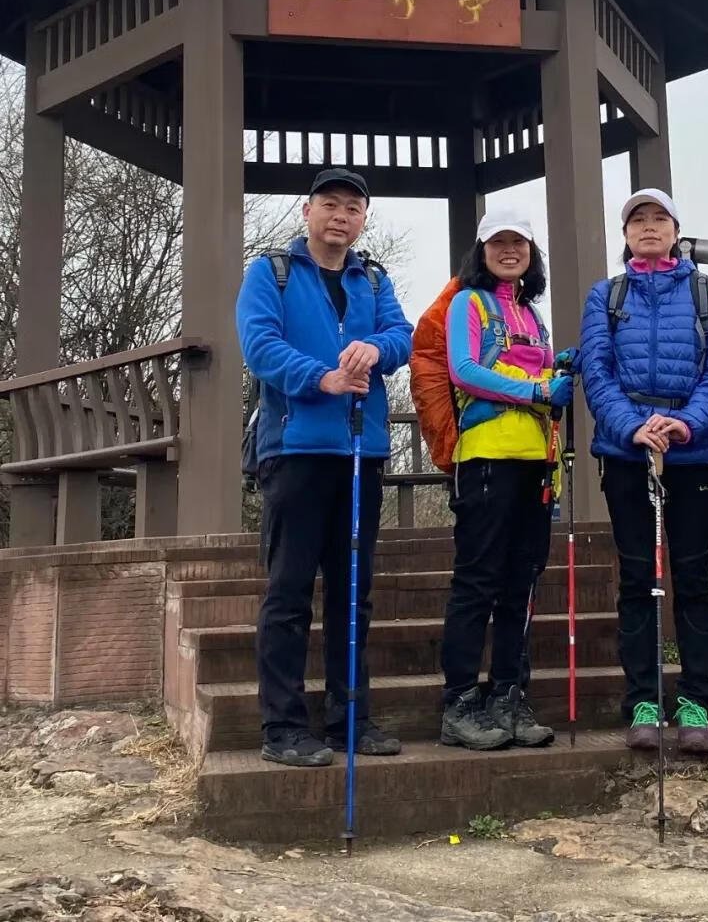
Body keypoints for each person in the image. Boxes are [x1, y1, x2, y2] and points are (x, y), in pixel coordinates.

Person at [235, 168, 413, 767]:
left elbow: (402, 337)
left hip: (362, 452)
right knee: (288, 592)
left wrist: (376, 349)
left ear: (364, 219)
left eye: (353, 207)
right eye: (330, 204)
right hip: (294, 451)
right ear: (306, 211)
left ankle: (349, 717)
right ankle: (282, 725)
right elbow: (258, 344)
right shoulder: (271, 272)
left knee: (353, 592)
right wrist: (322, 378)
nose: (341, 215)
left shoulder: (375, 278)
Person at [579, 187, 708, 754]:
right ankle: (643, 698)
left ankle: (697, 698)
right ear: (625, 234)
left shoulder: (707, 293)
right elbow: (595, 373)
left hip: (692, 454)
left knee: (693, 579)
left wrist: (685, 425)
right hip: (628, 455)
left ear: (676, 230)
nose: (648, 227)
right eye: (637, 220)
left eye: (659, 219)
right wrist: (632, 428)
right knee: (636, 579)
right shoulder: (606, 296)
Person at [438, 208, 574, 750]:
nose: (509, 250)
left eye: (519, 242)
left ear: (532, 252)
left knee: (522, 582)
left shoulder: (532, 315)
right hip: (487, 459)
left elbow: (528, 377)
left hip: (536, 464)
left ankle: (507, 695)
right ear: (482, 249)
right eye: (499, 241)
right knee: (477, 582)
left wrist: (556, 369)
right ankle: (459, 702)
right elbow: (463, 369)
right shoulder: (468, 303)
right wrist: (539, 389)